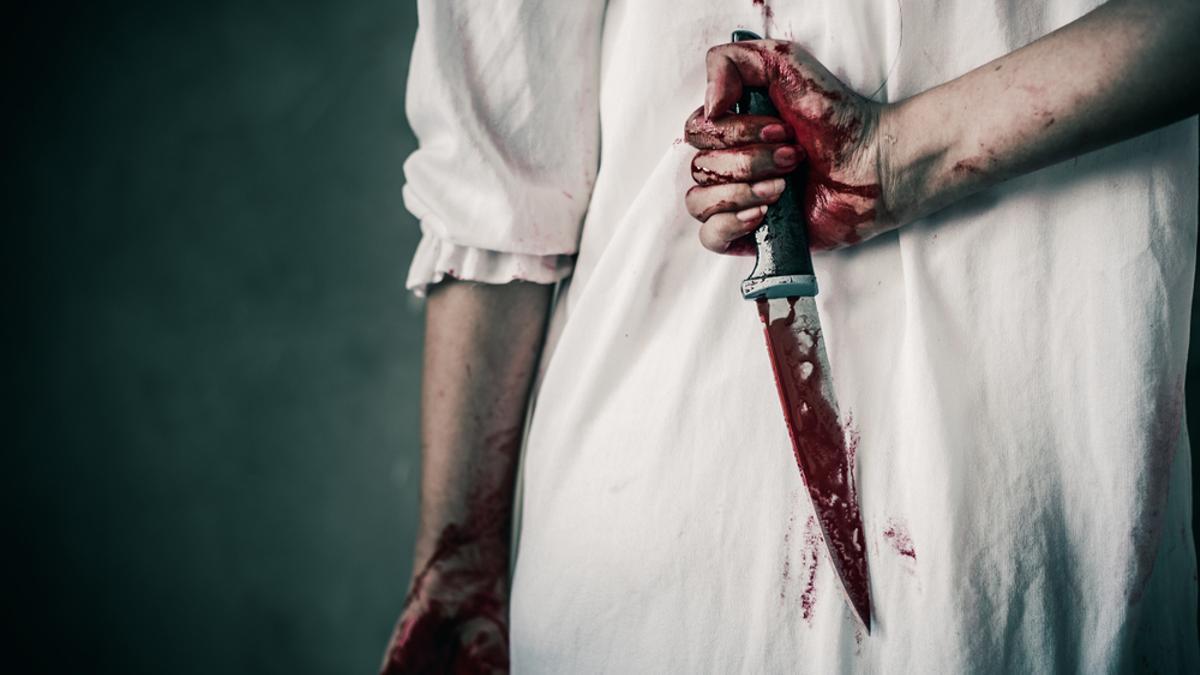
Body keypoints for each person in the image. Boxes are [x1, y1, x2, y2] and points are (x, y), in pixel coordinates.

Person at [382, 0, 1200, 671]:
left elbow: (497, 175)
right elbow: (496, 179)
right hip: (658, 553)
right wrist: (460, 567)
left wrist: (898, 155)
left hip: (1061, 531)